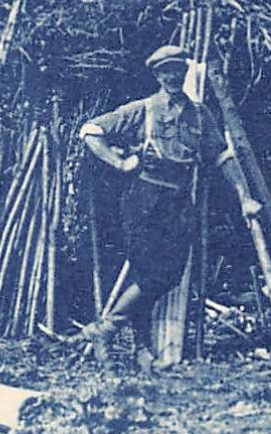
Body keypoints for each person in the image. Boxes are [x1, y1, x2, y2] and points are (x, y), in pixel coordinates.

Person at [78, 45, 260, 371]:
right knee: (150, 274)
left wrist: (244, 196)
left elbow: (222, 157)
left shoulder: (200, 115)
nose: (172, 77)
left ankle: (137, 348)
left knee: (167, 274)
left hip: (178, 202)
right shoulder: (144, 109)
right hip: (144, 198)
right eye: (165, 72)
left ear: (186, 72)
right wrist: (119, 163)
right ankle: (107, 332)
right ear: (157, 75)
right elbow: (91, 131)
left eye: (178, 70)